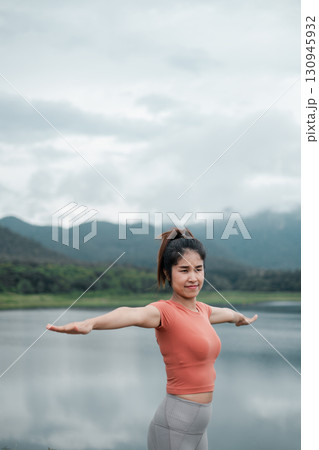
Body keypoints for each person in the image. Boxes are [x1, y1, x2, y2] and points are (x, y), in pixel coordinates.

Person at [46, 227, 258, 450]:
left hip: (198, 428)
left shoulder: (203, 311)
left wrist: (240, 318)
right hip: (173, 426)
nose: (193, 277)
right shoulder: (162, 312)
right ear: (168, 273)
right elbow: (130, 313)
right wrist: (91, 323)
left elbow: (225, 313)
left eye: (198, 269)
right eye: (184, 270)